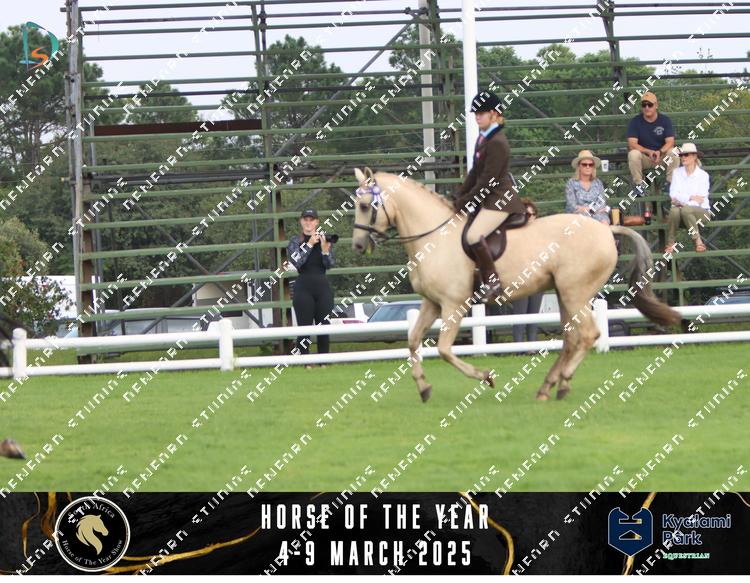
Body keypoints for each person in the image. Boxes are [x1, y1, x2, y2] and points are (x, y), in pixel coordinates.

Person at [451, 90, 526, 302]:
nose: (477, 117)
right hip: (489, 198)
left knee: (473, 236)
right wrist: (459, 194)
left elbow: (487, 180)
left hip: (500, 200)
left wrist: (465, 202)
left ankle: (492, 283)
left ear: (494, 114)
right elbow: (475, 172)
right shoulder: (483, 138)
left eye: (481, 113)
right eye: (475, 113)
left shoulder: (497, 142)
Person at [287, 209, 335, 366]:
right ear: (301, 221)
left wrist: (325, 250)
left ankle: (324, 363)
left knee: (324, 327)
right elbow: (297, 262)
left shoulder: (324, 239)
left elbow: (330, 265)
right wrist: (309, 244)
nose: (308, 223)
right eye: (305, 219)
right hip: (303, 289)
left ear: (317, 222)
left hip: (323, 288)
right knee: (304, 328)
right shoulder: (295, 241)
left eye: (311, 220)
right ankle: (306, 363)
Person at [627, 91, 677, 192]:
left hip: (661, 158)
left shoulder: (665, 120)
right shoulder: (635, 121)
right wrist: (648, 151)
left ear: (656, 105)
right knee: (633, 154)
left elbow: (670, 142)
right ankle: (639, 185)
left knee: (674, 152)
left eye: (650, 105)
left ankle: (670, 183)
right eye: (644, 105)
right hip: (644, 158)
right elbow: (632, 144)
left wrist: (660, 152)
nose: (647, 107)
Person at [666, 142, 710, 253]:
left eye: (686, 155)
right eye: (681, 155)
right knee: (674, 211)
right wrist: (691, 197)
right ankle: (671, 243)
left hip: (702, 213)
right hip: (681, 214)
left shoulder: (703, 175)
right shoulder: (676, 173)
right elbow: (673, 195)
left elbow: (700, 200)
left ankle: (698, 241)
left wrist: (682, 201)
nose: (683, 157)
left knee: (685, 209)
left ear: (694, 156)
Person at [511, 198, 544, 347]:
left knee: (534, 314)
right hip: (520, 278)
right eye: (527, 214)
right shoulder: (514, 234)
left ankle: (532, 346)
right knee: (520, 313)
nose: (531, 217)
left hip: (537, 279)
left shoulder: (542, 235)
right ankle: (518, 347)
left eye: (533, 214)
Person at [565, 149, 610, 224]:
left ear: (593, 167)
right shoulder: (571, 183)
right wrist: (590, 209)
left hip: (597, 215)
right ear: (579, 166)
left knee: (604, 222)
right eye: (584, 164)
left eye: (590, 164)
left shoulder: (598, 183)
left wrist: (586, 209)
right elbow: (571, 206)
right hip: (578, 216)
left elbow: (602, 203)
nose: (588, 167)